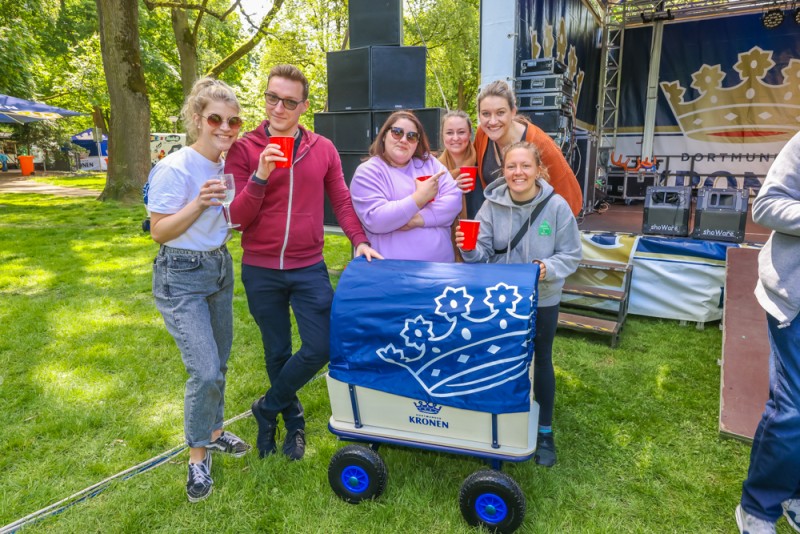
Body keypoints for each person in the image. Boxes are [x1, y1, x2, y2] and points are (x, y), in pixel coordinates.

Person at [224, 64, 381, 461]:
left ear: (304, 106)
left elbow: (342, 202)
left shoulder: (322, 149)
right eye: (271, 98)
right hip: (260, 267)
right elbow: (236, 218)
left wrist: (359, 240)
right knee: (276, 351)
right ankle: (293, 423)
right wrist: (260, 175)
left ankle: (267, 407)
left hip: (308, 265)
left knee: (321, 345)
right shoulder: (243, 150)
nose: (278, 107)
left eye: (289, 102)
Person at [147, 77, 251, 503]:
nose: (225, 128)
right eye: (215, 119)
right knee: (204, 369)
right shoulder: (175, 167)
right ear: (197, 120)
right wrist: (198, 204)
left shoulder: (230, 164)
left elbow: (232, 216)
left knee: (220, 362)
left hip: (218, 266)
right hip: (181, 273)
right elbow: (158, 231)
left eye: (233, 121)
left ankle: (214, 431)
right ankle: (196, 459)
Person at [456, 141, 581, 467]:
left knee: (541, 360)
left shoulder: (556, 207)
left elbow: (571, 255)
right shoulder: (491, 206)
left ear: (539, 170)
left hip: (543, 299)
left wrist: (547, 268)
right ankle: (496, 425)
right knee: (498, 360)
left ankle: (544, 432)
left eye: (525, 166)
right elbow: (480, 255)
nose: (518, 172)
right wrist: (467, 248)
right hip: (502, 301)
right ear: (504, 171)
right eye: (512, 166)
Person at [735, 130, 800, 534]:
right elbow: (767, 204)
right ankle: (758, 509)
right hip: (794, 300)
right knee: (793, 409)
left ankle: (794, 494)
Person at [349, 110, 462, 261]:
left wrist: (416, 219)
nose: (403, 140)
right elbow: (376, 219)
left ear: (417, 142)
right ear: (383, 136)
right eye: (397, 132)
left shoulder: (430, 163)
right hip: (392, 272)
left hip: (440, 269)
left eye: (411, 136)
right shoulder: (368, 172)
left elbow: (454, 202)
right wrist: (419, 198)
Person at [469, 80, 583, 219]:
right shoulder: (482, 134)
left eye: (500, 113)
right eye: (486, 114)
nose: (492, 121)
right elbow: (466, 159)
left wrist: (546, 229)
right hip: (499, 226)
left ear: (512, 112)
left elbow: (571, 200)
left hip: (531, 229)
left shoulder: (540, 144)